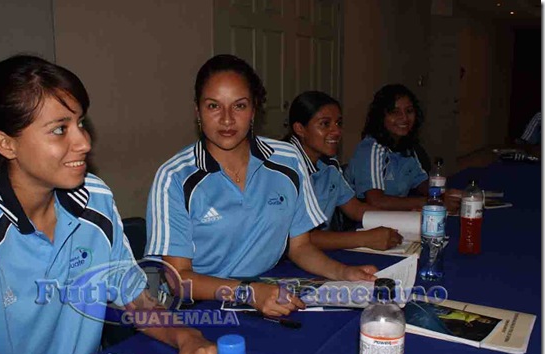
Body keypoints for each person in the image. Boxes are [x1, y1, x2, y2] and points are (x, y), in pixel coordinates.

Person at [0, 55, 216, 354]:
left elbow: (136, 301)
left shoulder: (95, 196)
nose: (84, 142)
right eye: (60, 129)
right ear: (6, 144)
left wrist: (186, 337)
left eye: (80, 123)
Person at [145, 54, 377, 318]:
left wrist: (344, 273)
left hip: (271, 291)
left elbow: (299, 247)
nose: (227, 119)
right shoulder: (175, 177)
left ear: (254, 110)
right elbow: (178, 281)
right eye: (213, 106)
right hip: (202, 309)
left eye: (239, 106)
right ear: (197, 111)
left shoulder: (288, 160)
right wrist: (247, 292)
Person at [284, 90, 402, 251]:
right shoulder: (283, 169)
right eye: (325, 124)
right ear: (300, 129)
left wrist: (407, 219)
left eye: (338, 123)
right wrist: (364, 238)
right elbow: (296, 237)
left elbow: (355, 209)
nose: (337, 131)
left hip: (319, 253)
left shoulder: (328, 164)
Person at [345, 84, 460, 212]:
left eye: (409, 111)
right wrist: (431, 202)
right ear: (381, 117)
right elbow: (376, 201)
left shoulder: (407, 146)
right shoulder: (370, 149)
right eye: (395, 112)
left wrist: (444, 195)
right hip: (363, 221)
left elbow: (420, 182)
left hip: (394, 216)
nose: (404, 118)